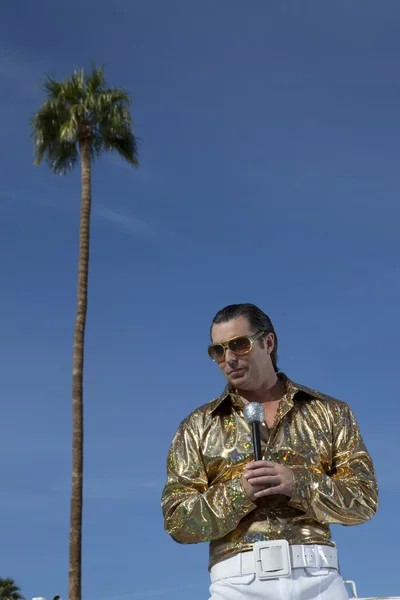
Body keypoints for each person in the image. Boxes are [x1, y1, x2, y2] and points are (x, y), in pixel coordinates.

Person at [161, 303, 378, 600]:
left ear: (268, 342)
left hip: (319, 579)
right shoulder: (197, 426)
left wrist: (298, 483)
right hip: (237, 585)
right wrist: (240, 492)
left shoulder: (330, 412)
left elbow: (364, 500)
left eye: (238, 345)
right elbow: (178, 522)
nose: (229, 359)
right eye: (218, 351)